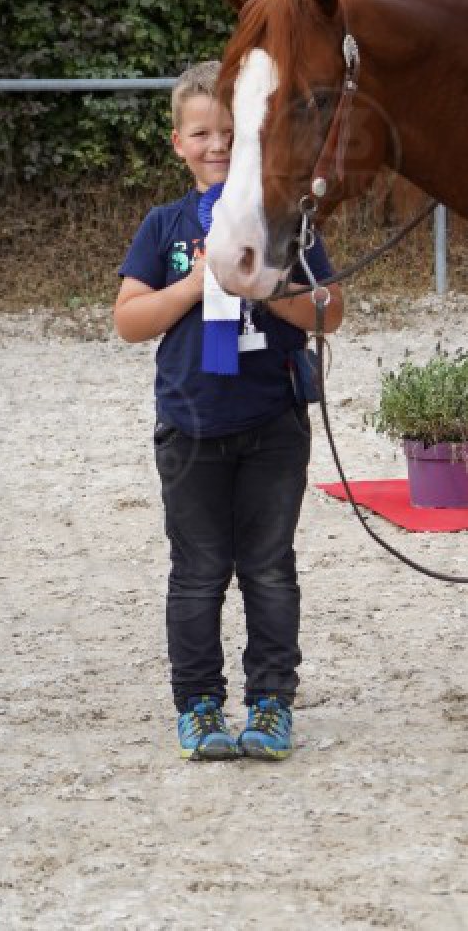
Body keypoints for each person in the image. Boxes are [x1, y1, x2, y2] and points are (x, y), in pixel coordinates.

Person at [114, 60, 344, 763]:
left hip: (272, 421)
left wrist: (267, 286)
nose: (217, 145)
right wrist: (194, 285)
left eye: (231, 132)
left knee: (269, 567)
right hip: (189, 425)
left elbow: (331, 311)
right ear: (178, 143)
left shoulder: (288, 220)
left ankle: (272, 701)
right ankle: (199, 703)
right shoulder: (164, 225)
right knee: (198, 572)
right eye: (201, 133)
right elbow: (129, 320)